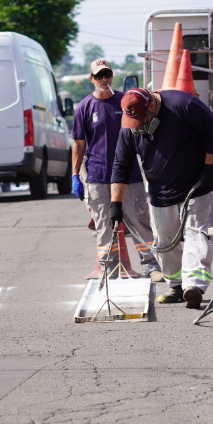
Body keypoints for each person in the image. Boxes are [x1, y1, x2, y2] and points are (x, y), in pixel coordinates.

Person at [109, 87, 213, 310]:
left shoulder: (182, 104)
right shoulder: (130, 128)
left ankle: (195, 287)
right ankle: (177, 286)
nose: (140, 126)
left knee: (196, 234)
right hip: (160, 191)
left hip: (196, 185)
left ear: (152, 105)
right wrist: (115, 203)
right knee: (164, 242)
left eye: (143, 119)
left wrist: (210, 168)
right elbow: (121, 165)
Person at [71, 59, 162, 281]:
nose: (104, 80)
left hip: (129, 173)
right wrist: (75, 175)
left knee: (140, 221)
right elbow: (79, 144)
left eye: (107, 75)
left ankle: (151, 266)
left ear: (112, 76)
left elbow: (144, 131)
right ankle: (109, 267)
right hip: (98, 175)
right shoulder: (84, 107)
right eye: (99, 76)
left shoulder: (125, 101)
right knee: (104, 225)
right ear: (91, 79)